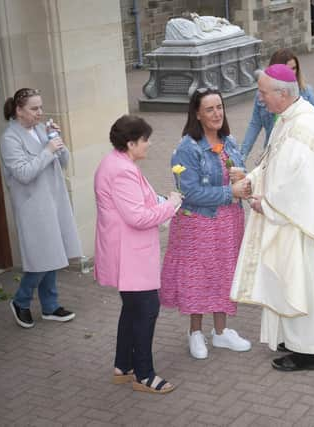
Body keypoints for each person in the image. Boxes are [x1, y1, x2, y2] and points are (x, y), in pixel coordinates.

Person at [230, 64, 314, 372]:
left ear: (282, 93)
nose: (259, 98)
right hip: (293, 219)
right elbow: (274, 162)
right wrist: (254, 178)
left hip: (300, 224)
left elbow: (299, 185)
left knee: (299, 283)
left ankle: (308, 353)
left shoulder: (304, 126)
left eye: (263, 92)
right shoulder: (290, 118)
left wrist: (264, 203)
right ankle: (291, 340)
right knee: (288, 281)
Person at [161, 88, 252, 360]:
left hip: (229, 222)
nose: (216, 113)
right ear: (197, 114)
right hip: (199, 224)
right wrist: (229, 192)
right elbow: (189, 192)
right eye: (209, 109)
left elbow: (240, 177)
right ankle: (195, 332)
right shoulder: (187, 148)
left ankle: (222, 332)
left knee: (224, 274)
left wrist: (242, 176)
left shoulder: (230, 141)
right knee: (198, 278)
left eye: (219, 107)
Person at [94, 115, 182, 394]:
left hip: (126, 251)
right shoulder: (121, 170)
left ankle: (123, 366)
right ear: (131, 143)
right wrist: (171, 204)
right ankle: (144, 375)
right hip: (130, 254)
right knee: (146, 310)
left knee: (132, 310)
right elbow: (138, 217)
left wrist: (159, 202)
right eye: (145, 140)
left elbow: (136, 205)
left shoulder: (117, 162)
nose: (149, 144)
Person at [0, 88, 81, 328]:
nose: (40, 113)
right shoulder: (10, 139)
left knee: (53, 253)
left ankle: (50, 306)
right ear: (19, 110)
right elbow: (24, 174)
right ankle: (21, 301)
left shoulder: (39, 130)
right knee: (41, 258)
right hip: (32, 205)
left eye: (40, 107)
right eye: (34, 108)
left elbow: (64, 162)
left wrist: (56, 140)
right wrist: (47, 151)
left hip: (53, 199)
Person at [241, 49, 314, 161]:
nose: (292, 73)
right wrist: (242, 155)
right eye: (287, 69)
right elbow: (255, 124)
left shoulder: (306, 92)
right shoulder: (262, 95)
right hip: (272, 153)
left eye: (294, 68)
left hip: (298, 156)